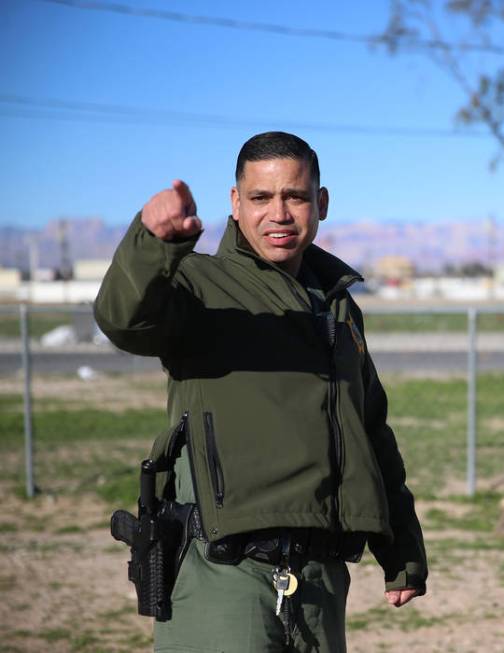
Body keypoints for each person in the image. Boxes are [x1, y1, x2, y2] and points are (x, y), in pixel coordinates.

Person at [95, 131, 427, 652]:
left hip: (318, 576)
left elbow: (370, 431)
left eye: (294, 196)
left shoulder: (337, 307)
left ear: (320, 203)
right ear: (235, 203)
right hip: (221, 574)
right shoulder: (197, 286)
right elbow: (122, 320)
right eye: (260, 197)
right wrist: (151, 243)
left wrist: (402, 548)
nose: (279, 213)